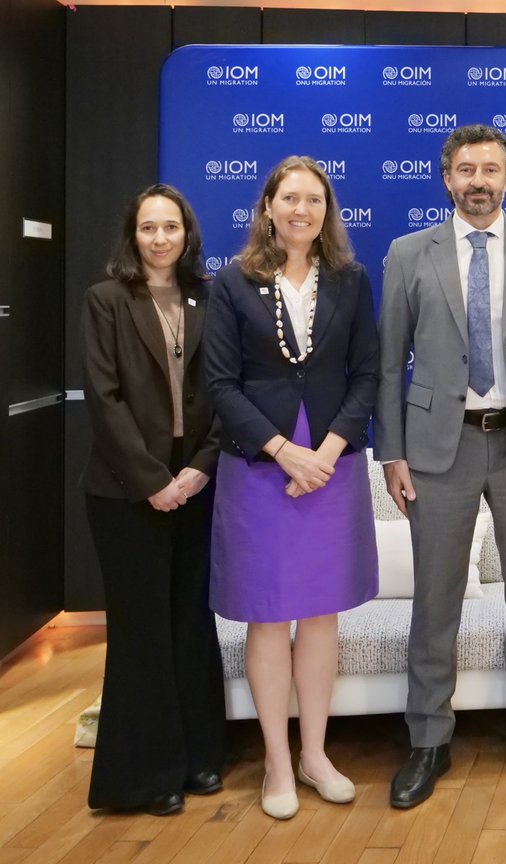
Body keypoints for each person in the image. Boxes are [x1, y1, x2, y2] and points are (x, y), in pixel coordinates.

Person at [375, 124, 506, 808]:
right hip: (440, 448)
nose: (478, 180)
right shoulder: (409, 253)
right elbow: (388, 361)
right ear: (446, 178)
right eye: (466, 168)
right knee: (435, 603)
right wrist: (392, 451)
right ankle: (429, 739)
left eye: (491, 168)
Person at [205, 156, 380, 820]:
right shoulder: (233, 281)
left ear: (326, 209)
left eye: (314, 199)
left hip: (331, 463)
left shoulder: (352, 280)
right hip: (259, 465)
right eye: (289, 198)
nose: (301, 209)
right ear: (269, 207)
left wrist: (328, 451)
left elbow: (368, 373)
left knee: (320, 615)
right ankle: (276, 763)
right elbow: (219, 385)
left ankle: (315, 755)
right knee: (269, 616)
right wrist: (284, 452)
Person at [81, 183, 226, 816]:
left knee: (190, 622)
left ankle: (200, 759)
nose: (161, 238)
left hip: (196, 480)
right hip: (124, 489)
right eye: (148, 228)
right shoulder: (105, 300)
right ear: (132, 235)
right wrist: (153, 482)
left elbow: (224, 389)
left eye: (171, 226)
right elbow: (104, 401)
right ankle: (144, 775)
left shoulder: (210, 297)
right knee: (143, 632)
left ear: (188, 234)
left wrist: (196, 471)